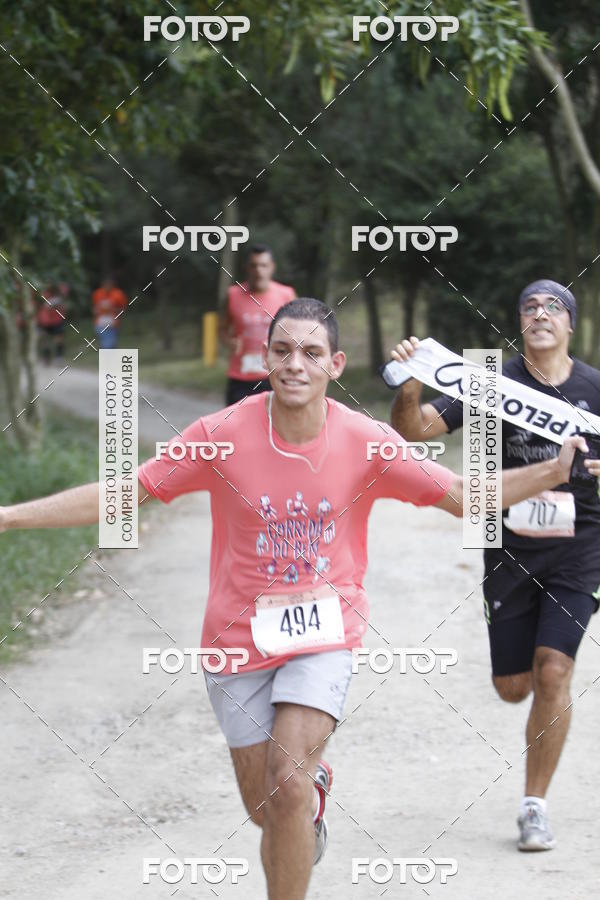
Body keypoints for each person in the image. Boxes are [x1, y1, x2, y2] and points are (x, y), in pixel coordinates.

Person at [1, 298, 595, 899]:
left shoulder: (365, 440)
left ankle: (300, 801)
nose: (295, 364)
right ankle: (310, 801)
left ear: (335, 364)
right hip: (235, 642)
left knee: (286, 782)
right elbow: (128, 492)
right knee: (269, 810)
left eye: (311, 353)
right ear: (265, 358)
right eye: (283, 351)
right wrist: (8, 517)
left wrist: (554, 471)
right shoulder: (220, 435)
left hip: (324, 634)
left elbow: (465, 495)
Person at [389, 279, 600, 852]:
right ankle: (529, 687)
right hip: (508, 547)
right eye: (530, 306)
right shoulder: (490, 385)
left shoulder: (593, 388)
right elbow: (412, 431)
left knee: (553, 670)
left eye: (554, 307)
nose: (541, 314)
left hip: (579, 548)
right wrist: (411, 382)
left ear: (570, 324)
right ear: (520, 322)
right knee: (513, 687)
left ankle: (534, 806)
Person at [220, 244, 295, 406]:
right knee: (235, 421)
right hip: (241, 376)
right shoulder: (233, 294)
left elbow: (299, 331)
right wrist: (229, 341)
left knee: (273, 421)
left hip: (274, 375)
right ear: (247, 268)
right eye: (254, 265)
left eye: (263, 265)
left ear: (272, 267)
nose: (258, 270)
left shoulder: (286, 295)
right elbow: (223, 329)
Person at [92, 276, 128, 350]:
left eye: (109, 284)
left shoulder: (118, 294)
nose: (107, 287)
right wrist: (98, 310)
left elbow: (123, 309)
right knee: (106, 345)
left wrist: (111, 310)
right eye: (106, 285)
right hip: (100, 323)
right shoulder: (97, 294)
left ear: (112, 285)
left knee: (110, 345)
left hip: (112, 324)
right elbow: (95, 308)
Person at [37, 283, 67, 363]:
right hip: (46, 321)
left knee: (58, 339)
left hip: (57, 320)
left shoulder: (60, 294)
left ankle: (59, 357)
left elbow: (64, 296)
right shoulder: (44, 295)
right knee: (45, 340)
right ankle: (46, 357)